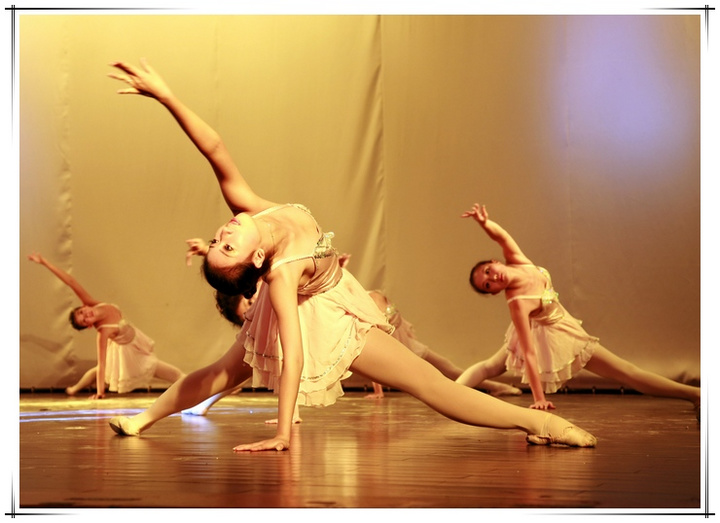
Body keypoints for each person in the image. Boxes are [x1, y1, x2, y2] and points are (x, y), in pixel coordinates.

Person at [105, 58, 597, 450]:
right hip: (322, 315)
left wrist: (167, 97)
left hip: (330, 292)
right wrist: (284, 432)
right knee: (427, 385)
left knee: (225, 372)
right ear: (254, 262)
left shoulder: (250, 209)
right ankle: (543, 423)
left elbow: (213, 148)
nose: (222, 233)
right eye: (226, 246)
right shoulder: (280, 274)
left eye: (217, 242)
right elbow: (295, 355)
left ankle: (142, 420)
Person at [457, 203, 701, 418]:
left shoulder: (517, 261)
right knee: (626, 372)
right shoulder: (517, 302)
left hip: (560, 324)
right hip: (553, 336)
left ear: (495, 262)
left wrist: (485, 223)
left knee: (627, 372)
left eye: (488, 271)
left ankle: (695, 394)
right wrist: (539, 398)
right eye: (487, 285)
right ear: (494, 292)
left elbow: (501, 237)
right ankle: (448, 395)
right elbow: (530, 353)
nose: (492, 278)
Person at [337, 254, 522, 399]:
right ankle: (489, 388)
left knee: (450, 370)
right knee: (443, 373)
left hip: (407, 346)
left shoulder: (370, 297)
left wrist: (342, 268)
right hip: (401, 349)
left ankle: (496, 387)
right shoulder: (362, 304)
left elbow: (345, 286)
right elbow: (374, 348)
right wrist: (378, 391)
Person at [27, 253, 186, 399]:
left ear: (84, 306)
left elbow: (71, 282)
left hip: (136, 343)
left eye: (82, 312)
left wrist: (45, 263)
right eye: (84, 321)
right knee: (174, 373)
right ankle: (193, 389)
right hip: (132, 355)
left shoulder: (93, 303)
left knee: (101, 371)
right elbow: (101, 364)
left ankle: (74, 389)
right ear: (90, 326)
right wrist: (100, 392)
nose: (86, 315)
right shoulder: (103, 332)